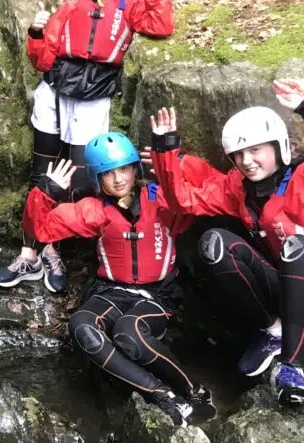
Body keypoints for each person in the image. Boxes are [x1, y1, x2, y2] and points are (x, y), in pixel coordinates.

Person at [4, 0, 173, 292]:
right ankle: (30, 254)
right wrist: (35, 34)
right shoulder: (68, 8)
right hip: (54, 93)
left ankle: (53, 250)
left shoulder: (128, 6)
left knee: (79, 180)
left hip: (93, 98)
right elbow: (42, 60)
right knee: (43, 174)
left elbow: (160, 25)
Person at [21, 131, 216, 426]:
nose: (118, 179)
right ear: (98, 179)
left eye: (123, 169)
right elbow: (42, 230)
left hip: (157, 294)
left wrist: (177, 161)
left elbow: (206, 190)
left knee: (129, 331)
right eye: (108, 173)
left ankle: (194, 392)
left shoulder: (162, 200)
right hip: (111, 291)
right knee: (81, 326)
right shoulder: (95, 210)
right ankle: (161, 394)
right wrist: (46, 191)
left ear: (135, 168)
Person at [150, 105, 304, 406]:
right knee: (215, 244)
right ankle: (273, 332)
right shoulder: (238, 189)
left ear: (278, 145)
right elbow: (183, 201)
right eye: (239, 154)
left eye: (256, 150)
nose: (247, 161)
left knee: (298, 247)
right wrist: (165, 150)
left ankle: (293, 368)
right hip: (285, 293)